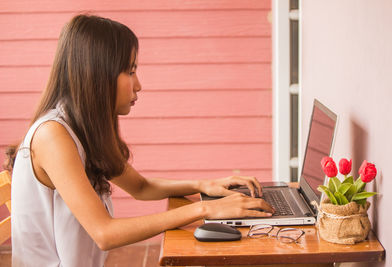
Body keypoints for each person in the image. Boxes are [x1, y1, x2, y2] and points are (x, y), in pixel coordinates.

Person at [6, 14, 274, 267]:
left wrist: (205, 185)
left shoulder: (80, 127)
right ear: (98, 74)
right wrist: (206, 209)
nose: (138, 85)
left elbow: (141, 187)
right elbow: (105, 233)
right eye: (130, 71)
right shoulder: (53, 135)